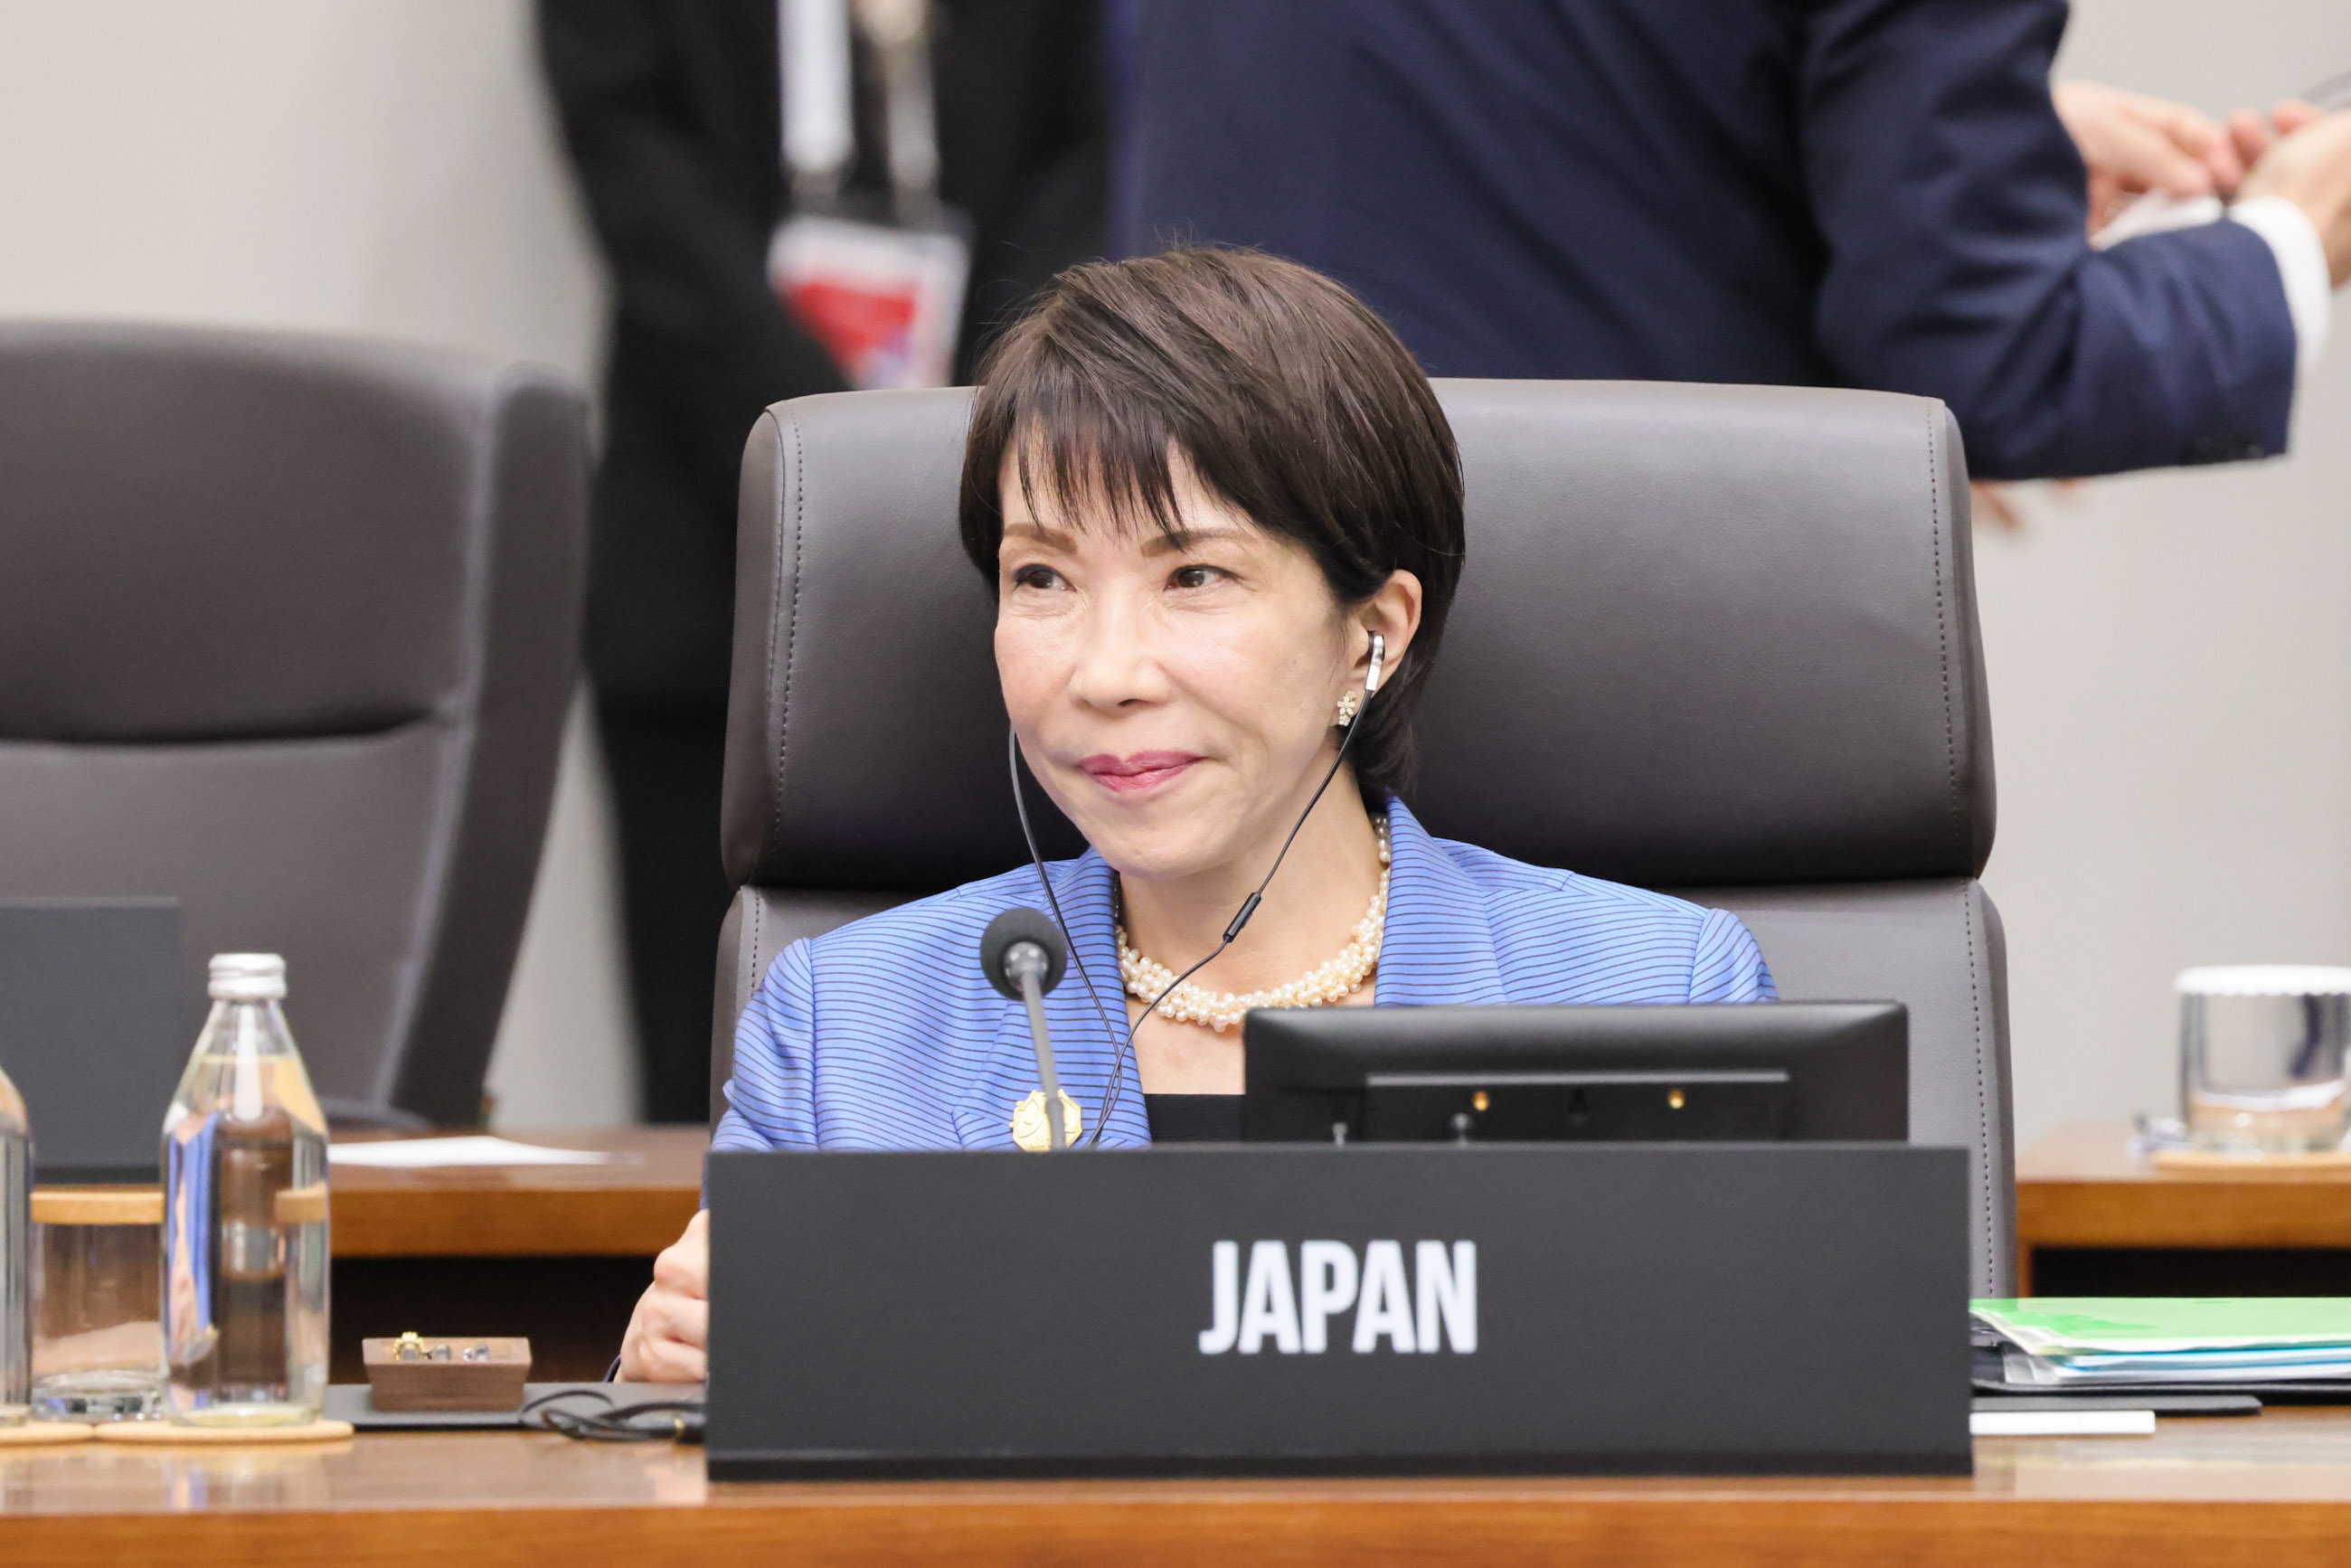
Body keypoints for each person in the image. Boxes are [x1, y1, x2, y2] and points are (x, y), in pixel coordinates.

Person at [617, 248, 1778, 1381]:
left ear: (1371, 630)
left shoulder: (1653, 992)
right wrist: (664, 1398)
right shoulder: (848, 1030)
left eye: (1194, 578)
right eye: (1042, 579)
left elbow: (1773, 1442)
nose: (1106, 672)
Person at [538, 0, 1108, 1121]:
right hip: (702, 556)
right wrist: (825, 445)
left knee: (1002, 1033)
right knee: (695, 1050)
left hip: (991, 527)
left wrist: (976, 419)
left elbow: (1079, 156)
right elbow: (638, 177)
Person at [1113, 2, 2351, 480]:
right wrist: (2288, 237)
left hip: (1184, 587)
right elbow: (1991, 359)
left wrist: (1841, 146)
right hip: (1601, 667)